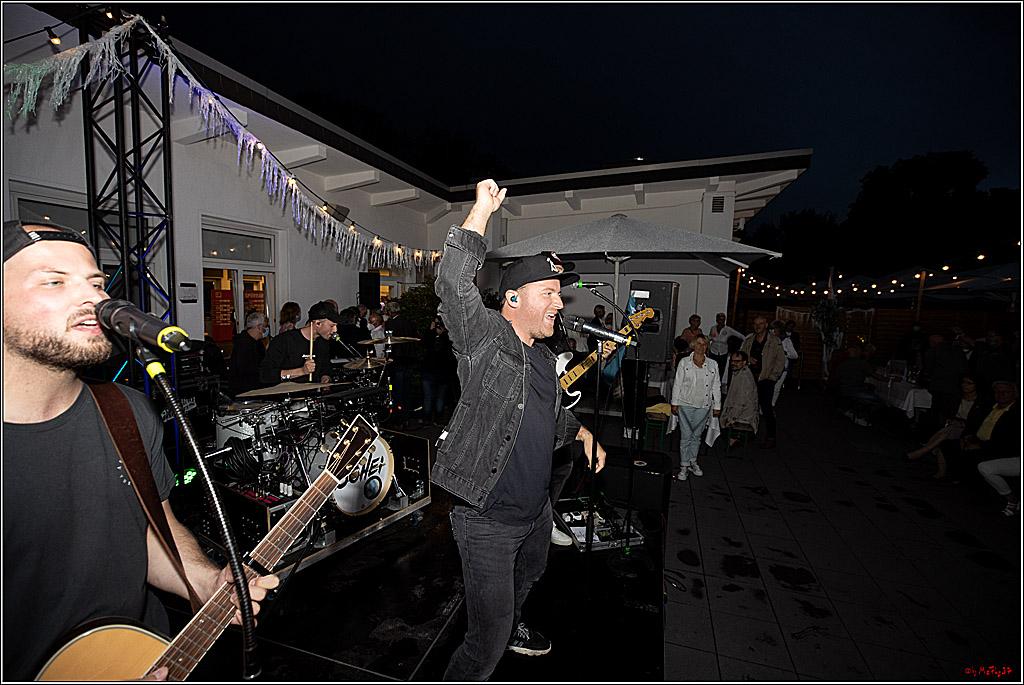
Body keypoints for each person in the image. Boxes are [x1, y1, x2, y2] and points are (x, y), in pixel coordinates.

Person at [2, 220, 278, 681]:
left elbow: (150, 533)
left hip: (145, 653)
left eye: (95, 282)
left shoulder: (126, 410)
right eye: (54, 281)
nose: (93, 299)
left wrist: (208, 581)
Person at [431, 179, 606, 681]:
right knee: (483, 645)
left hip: (534, 513)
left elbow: (548, 415)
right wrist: (481, 213)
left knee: (531, 574)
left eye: (560, 293)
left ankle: (512, 625)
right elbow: (453, 285)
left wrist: (581, 433)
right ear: (512, 298)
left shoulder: (544, 357)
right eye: (549, 293)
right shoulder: (486, 339)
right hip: (488, 517)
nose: (560, 303)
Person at [906, 373, 988, 478]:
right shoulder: (956, 396)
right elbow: (944, 413)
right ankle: (939, 472)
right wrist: (948, 420)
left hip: (968, 429)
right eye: (963, 382)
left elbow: (979, 421)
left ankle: (921, 452)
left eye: (969, 383)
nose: (965, 385)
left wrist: (963, 424)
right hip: (952, 425)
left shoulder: (981, 402)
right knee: (948, 433)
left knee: (949, 432)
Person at [939, 381, 1019, 484]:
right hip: (977, 439)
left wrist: (979, 445)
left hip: (996, 446)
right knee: (948, 445)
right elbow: (974, 423)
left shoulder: (1016, 413)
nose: (1001, 394)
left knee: (973, 455)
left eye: (1005, 391)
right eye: (997, 391)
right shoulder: (990, 407)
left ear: (1014, 394)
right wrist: (967, 436)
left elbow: (1006, 439)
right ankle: (953, 476)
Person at [670, 334, 721, 481]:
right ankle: (684, 466)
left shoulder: (713, 364)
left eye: (704, 344)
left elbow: (716, 386)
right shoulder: (684, 362)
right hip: (685, 404)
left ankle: (693, 461)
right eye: (698, 343)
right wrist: (674, 403)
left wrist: (717, 405)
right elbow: (678, 383)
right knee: (686, 436)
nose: (701, 347)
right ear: (693, 345)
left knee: (696, 436)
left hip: (703, 405)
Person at [259, 300, 340, 386]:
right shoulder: (284, 341)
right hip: (289, 396)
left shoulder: (323, 343)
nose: (335, 330)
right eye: (332, 326)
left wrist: (325, 378)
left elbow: (326, 368)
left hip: (313, 395)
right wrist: (301, 371)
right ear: (318, 323)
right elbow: (265, 375)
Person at [740, 315, 784, 448]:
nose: (758, 326)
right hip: (750, 378)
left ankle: (771, 437)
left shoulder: (774, 342)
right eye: (755, 324)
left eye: (761, 324)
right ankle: (749, 432)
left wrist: (773, 376)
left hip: (765, 379)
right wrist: (748, 360)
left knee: (766, 408)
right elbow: (741, 356)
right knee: (749, 407)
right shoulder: (749, 341)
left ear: (766, 325)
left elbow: (780, 360)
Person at [834, 342, 889, 426]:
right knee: (881, 402)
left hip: (845, 389)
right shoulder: (862, 363)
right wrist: (889, 380)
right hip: (856, 391)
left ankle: (853, 410)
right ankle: (861, 416)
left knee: (870, 388)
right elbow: (876, 376)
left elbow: (838, 378)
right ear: (857, 353)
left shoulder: (842, 365)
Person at [383, 300, 418, 429]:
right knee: (407, 391)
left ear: (390, 312)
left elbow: (389, 343)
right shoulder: (408, 322)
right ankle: (406, 418)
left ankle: (399, 420)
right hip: (409, 360)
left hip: (397, 362)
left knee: (397, 392)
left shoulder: (391, 324)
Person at [922, 332, 968, 424]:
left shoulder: (932, 352)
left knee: (937, 411)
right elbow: (966, 368)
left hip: (940, 387)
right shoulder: (958, 351)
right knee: (951, 410)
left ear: (931, 343)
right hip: (957, 387)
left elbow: (928, 370)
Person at [419, 315, 456, 426]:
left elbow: (451, 349)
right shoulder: (430, 333)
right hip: (428, 369)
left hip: (442, 369)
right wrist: (430, 331)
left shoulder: (449, 334)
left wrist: (444, 334)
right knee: (428, 395)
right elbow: (423, 344)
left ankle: (439, 417)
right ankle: (427, 417)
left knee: (440, 395)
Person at [720, 351, 759, 447]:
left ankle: (735, 439)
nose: (733, 363)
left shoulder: (744, 378)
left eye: (737, 361)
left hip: (745, 417)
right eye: (732, 361)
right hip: (743, 413)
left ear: (744, 362)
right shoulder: (740, 372)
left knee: (722, 426)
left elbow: (740, 403)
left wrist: (730, 419)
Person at [228, 311, 269, 396]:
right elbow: (245, 368)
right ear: (259, 327)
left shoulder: (257, 343)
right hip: (244, 390)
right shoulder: (243, 344)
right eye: (265, 326)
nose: (266, 329)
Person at [771, 320, 799, 407]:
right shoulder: (768, 340)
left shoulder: (786, 341)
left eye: (775, 331)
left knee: (776, 388)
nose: (772, 332)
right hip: (770, 368)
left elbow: (795, 355)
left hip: (782, 368)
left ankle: (772, 405)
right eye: (771, 330)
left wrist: (786, 353)